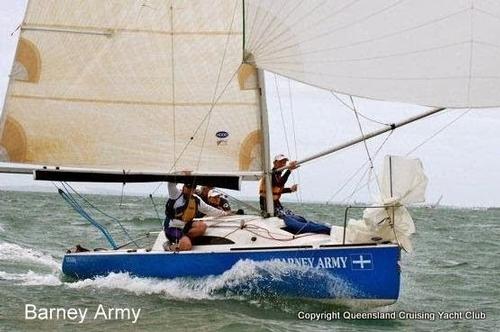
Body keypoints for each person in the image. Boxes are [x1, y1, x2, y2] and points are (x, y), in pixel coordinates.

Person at [164, 182, 228, 251]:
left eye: (193, 188)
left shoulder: (196, 199)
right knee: (187, 246)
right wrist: (182, 173)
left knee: (202, 226)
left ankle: (183, 239)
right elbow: (171, 184)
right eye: (188, 187)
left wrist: (224, 213)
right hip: (172, 227)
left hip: (185, 226)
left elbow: (208, 209)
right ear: (183, 187)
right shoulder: (175, 194)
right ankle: (168, 246)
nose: (190, 189)